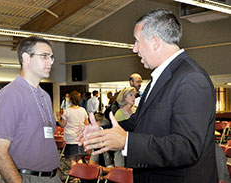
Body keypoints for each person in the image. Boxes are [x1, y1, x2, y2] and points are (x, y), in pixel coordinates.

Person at [77, 9, 218, 183]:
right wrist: (102, 132)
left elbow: (186, 147)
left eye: (137, 41)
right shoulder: (162, 78)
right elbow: (140, 122)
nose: (134, 49)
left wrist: (127, 142)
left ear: (155, 42)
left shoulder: (190, 79)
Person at [0, 37, 61, 183]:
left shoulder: (45, 96)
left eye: (51, 57)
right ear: (26, 58)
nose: (51, 61)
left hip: (52, 177)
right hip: (25, 177)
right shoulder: (11, 94)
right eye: (44, 56)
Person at [56, 91, 89, 167]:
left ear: (70, 100)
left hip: (70, 138)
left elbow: (62, 125)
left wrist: (58, 117)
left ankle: (75, 177)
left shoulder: (67, 111)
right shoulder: (83, 110)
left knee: (73, 159)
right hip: (80, 137)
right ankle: (79, 176)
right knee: (79, 159)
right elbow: (87, 124)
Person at [114, 87, 136, 167]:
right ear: (124, 98)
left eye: (134, 95)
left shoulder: (135, 111)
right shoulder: (119, 113)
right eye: (131, 95)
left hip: (133, 148)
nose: (133, 97)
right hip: (122, 150)